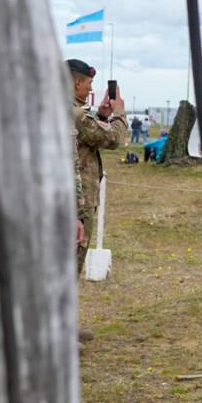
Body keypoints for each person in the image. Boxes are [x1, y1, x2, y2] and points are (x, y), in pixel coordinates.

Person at [69, 59, 127, 281]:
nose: (91, 89)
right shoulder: (76, 114)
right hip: (77, 206)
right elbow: (114, 138)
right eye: (89, 83)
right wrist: (119, 112)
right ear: (76, 82)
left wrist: (102, 117)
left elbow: (87, 139)